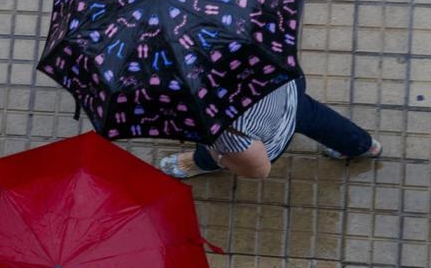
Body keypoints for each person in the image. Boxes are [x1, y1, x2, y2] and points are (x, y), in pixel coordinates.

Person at [158, 77, 382, 180]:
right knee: (318, 118)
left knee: (210, 153)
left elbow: (258, 169)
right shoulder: (247, 37)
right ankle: (361, 146)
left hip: (272, 136)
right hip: (289, 91)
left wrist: (218, 157)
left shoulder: (225, 131)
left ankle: (199, 163)